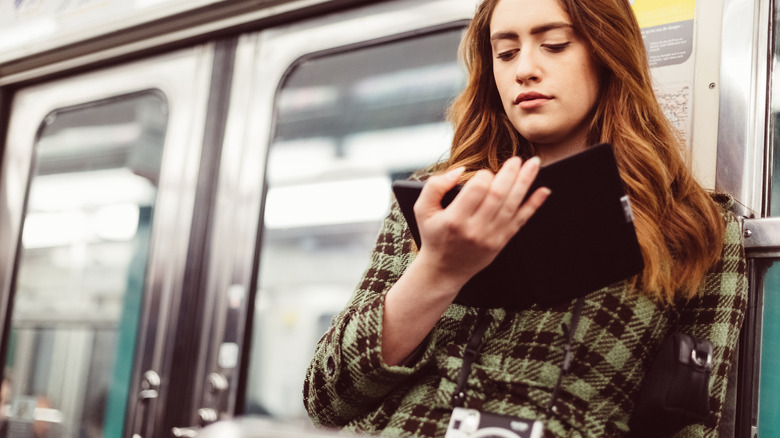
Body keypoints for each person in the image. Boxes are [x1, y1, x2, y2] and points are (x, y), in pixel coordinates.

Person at [303, 0, 748, 436]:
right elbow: (326, 397)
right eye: (506, 52)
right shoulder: (440, 200)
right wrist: (436, 273)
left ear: (607, 52)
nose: (525, 70)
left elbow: (689, 422)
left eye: (554, 44)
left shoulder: (692, 222)